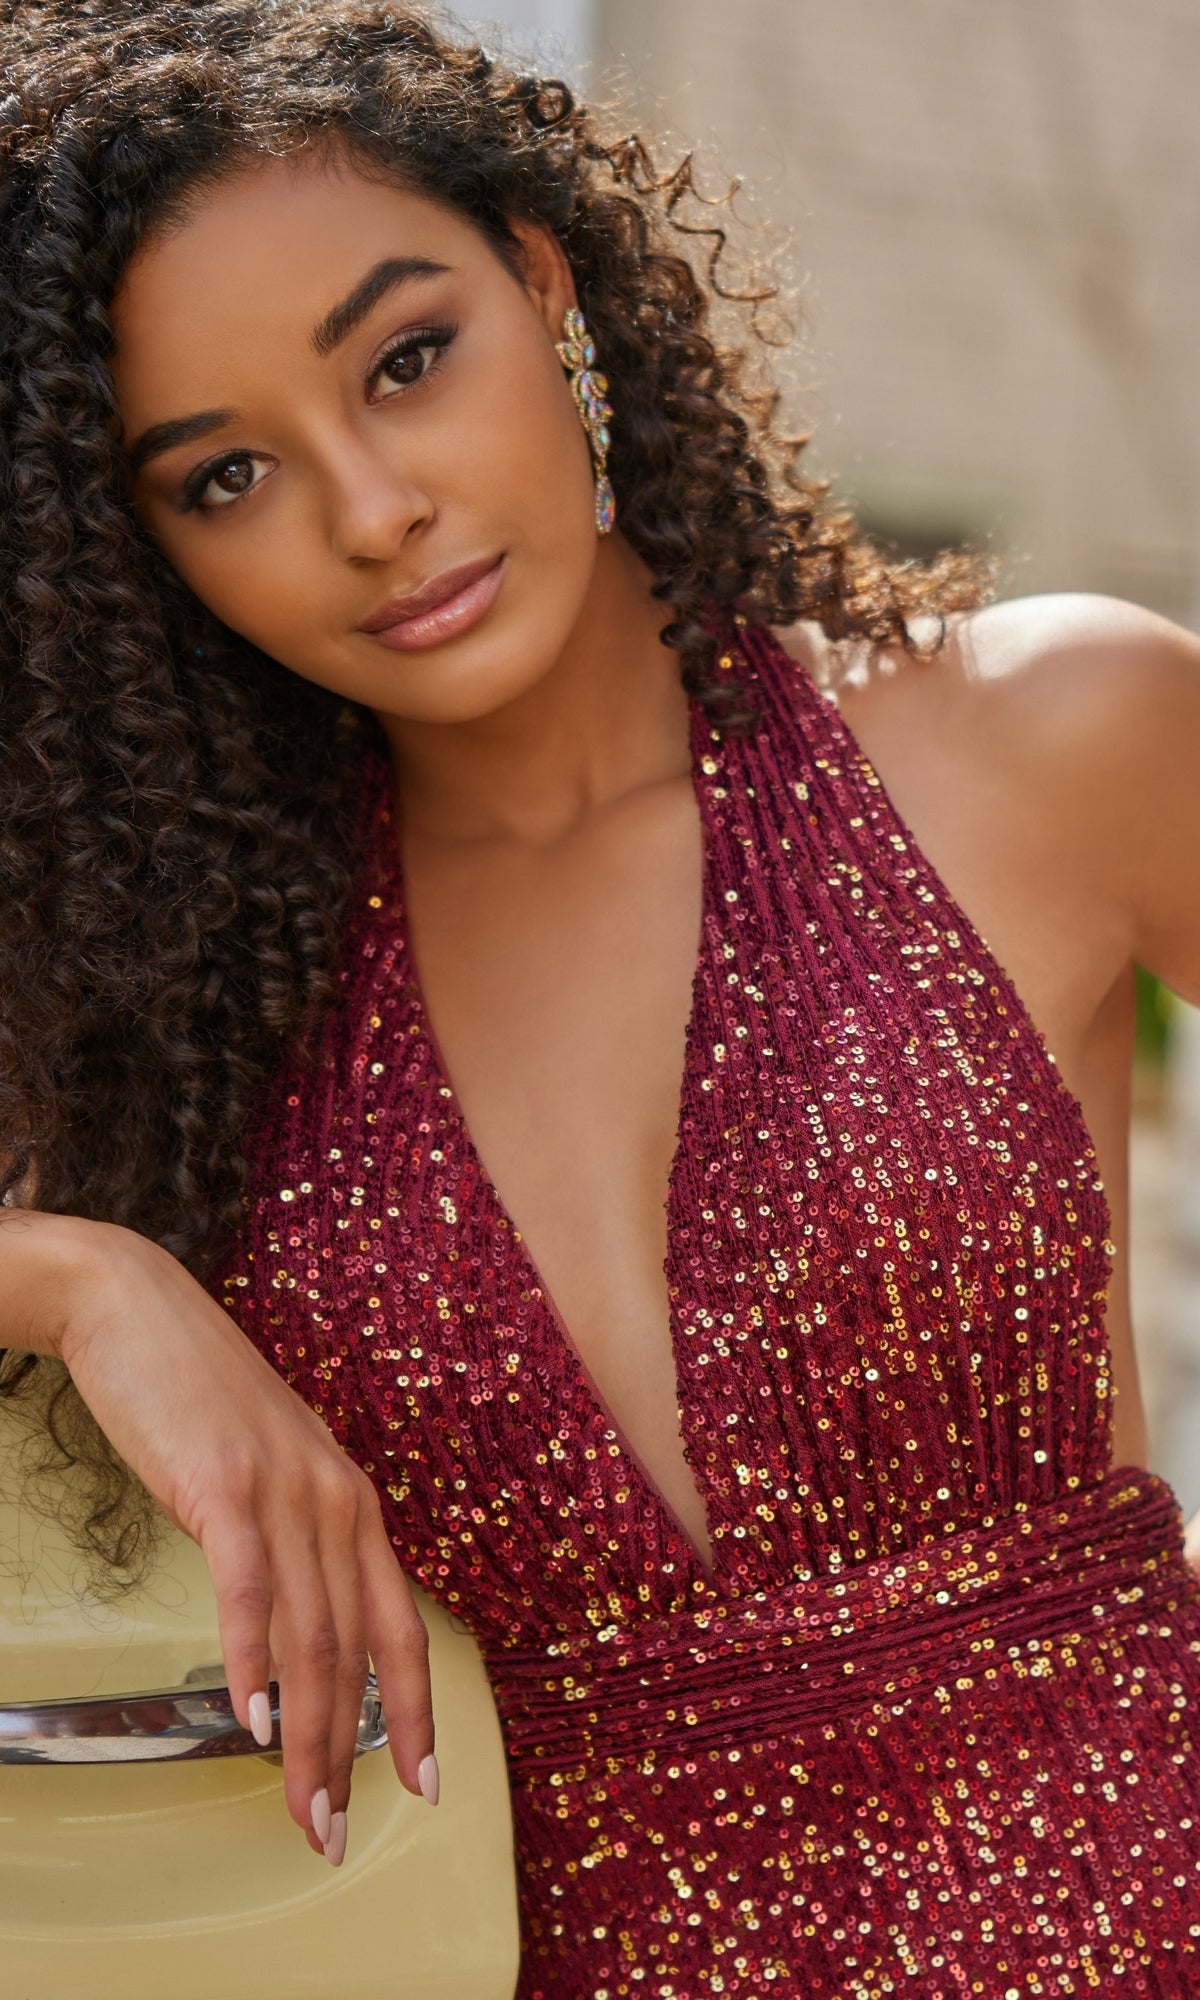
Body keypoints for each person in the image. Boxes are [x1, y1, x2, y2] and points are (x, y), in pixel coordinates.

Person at [2, 0, 1199, 1991]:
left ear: (544, 285)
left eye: (408, 360)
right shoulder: (177, 997)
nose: (369, 508)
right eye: (223, 477)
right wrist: (77, 1282)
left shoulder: (1050, 726)